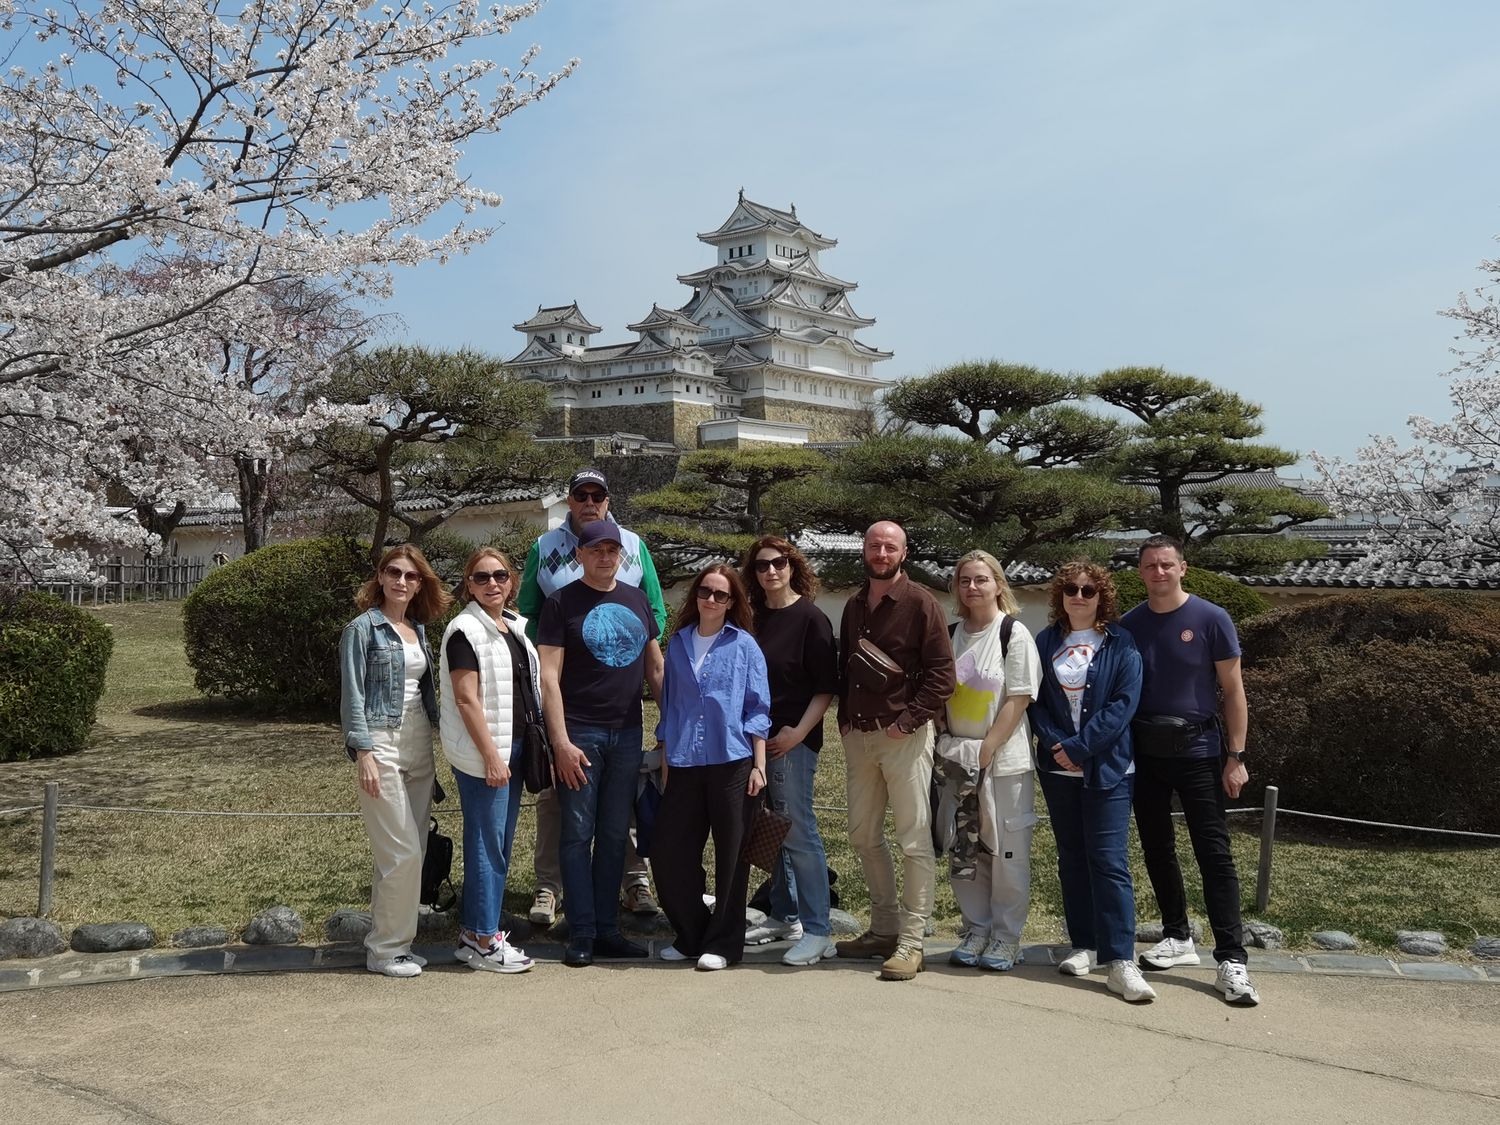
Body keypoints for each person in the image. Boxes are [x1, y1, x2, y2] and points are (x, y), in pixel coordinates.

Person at [518, 467, 668, 927]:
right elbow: (528, 610)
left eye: (596, 495)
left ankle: (633, 880)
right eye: (580, 495)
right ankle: (551, 886)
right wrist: (561, 650)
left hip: (621, 705)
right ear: (569, 500)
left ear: (607, 500)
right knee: (559, 800)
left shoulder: (634, 545)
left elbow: (654, 614)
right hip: (565, 698)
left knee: (622, 801)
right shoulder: (544, 547)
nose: (588, 502)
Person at [1123, 535, 1260, 1006]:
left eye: (1167, 564)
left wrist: (1236, 757)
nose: (1158, 573)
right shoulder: (1129, 625)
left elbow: (1233, 690)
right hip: (1145, 753)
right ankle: (1177, 935)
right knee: (1157, 847)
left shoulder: (1211, 618)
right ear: (1140, 572)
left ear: (1183, 567)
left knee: (1214, 853)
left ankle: (1232, 958)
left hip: (1199, 751)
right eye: (1150, 566)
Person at [834, 520, 956, 981]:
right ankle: (884, 928)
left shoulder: (921, 602)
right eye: (874, 545)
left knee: (914, 839)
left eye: (890, 547)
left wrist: (908, 721)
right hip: (860, 736)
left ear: (904, 553)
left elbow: (943, 675)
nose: (881, 553)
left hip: (904, 736)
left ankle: (912, 940)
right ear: (863, 549)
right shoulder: (854, 604)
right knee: (863, 835)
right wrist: (845, 720)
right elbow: (846, 666)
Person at [1029, 561, 1153, 1002]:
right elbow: (1036, 702)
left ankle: (1120, 958)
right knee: (1072, 857)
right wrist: (1057, 744)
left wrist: (1081, 747)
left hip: (1109, 768)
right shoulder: (1046, 641)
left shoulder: (1121, 642)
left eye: (1087, 590)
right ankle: (1084, 943)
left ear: (1102, 596)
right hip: (1058, 768)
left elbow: (1123, 703)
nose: (1078, 597)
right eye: (1071, 590)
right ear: (1060, 596)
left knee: (1109, 861)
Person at [339, 544, 451, 978]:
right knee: (400, 851)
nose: (401, 581)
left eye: (411, 575)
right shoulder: (362, 629)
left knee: (412, 851)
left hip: (418, 742)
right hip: (380, 741)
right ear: (381, 577)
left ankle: (398, 944)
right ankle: (384, 950)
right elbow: (352, 695)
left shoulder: (417, 629)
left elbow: (425, 692)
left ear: (420, 583)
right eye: (394, 573)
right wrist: (362, 752)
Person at [652, 565, 772, 970]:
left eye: (721, 594)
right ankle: (691, 935)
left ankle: (724, 945)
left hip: (733, 762)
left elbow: (757, 708)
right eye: (706, 591)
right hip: (683, 761)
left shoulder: (745, 645)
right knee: (668, 854)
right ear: (696, 594)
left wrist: (759, 765)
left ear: (732, 601)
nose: (712, 599)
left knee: (731, 858)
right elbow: (670, 706)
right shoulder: (678, 643)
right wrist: (666, 758)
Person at [938, 551, 1042, 974]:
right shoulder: (950, 634)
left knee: (1006, 851)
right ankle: (976, 929)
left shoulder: (1012, 633)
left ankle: (1006, 936)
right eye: (964, 580)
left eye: (981, 579)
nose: (972, 587)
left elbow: (1019, 697)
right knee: (966, 847)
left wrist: (988, 748)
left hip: (1003, 762)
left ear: (998, 584)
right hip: (957, 760)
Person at [738, 535, 839, 966]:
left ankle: (819, 930)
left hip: (791, 742)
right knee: (769, 829)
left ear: (793, 566)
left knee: (797, 830)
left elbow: (826, 687)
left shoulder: (811, 618)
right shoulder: (751, 617)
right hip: (752, 741)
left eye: (778, 562)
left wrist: (797, 734)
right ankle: (785, 914)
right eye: (762, 565)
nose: (771, 571)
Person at [439, 548, 539, 975]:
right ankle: (484, 939)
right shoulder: (464, 630)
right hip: (486, 754)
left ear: (511, 580)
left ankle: (473, 935)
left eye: (499, 575)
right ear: (469, 584)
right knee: (486, 845)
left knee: (498, 843)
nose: (492, 583)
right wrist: (491, 757)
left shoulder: (513, 626)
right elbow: (466, 699)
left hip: (513, 747)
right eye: (481, 578)